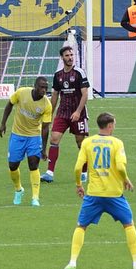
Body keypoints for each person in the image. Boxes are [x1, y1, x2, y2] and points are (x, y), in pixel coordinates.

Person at [64, 112, 136, 269]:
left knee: (81, 226)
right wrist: (126, 179)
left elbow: (77, 167)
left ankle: (72, 262)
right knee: (128, 224)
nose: (114, 127)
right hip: (114, 195)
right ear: (109, 126)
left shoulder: (88, 142)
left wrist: (78, 184)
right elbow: (121, 167)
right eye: (113, 124)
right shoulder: (117, 143)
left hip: (94, 194)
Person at [0, 76, 53, 207]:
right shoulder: (22, 92)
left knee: (33, 165)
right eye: (41, 87)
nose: (44, 90)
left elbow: (45, 128)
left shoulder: (47, 104)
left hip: (34, 137)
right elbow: (9, 105)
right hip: (17, 135)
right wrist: (3, 124)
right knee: (13, 166)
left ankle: (35, 198)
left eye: (46, 87)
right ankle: (19, 189)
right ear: (35, 86)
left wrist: (44, 149)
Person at [42, 45, 90, 183]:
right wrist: (49, 114)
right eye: (67, 55)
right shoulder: (58, 75)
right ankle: (49, 173)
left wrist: (78, 111)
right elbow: (55, 95)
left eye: (71, 55)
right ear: (62, 57)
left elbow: (85, 94)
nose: (70, 58)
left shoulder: (79, 72)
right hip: (62, 113)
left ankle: (85, 172)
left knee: (81, 143)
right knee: (54, 139)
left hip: (78, 113)